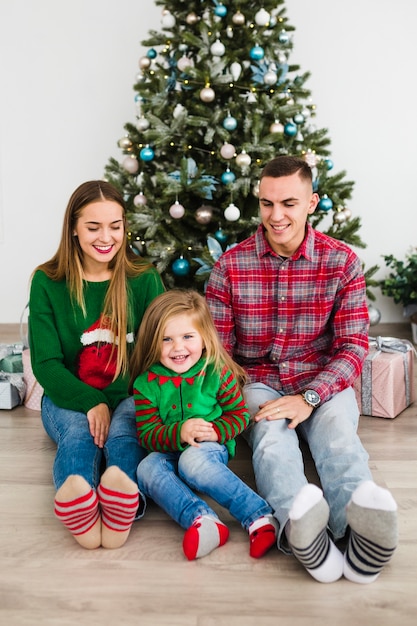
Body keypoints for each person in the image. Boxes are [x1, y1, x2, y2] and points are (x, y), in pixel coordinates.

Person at [206, 155, 398, 583]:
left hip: (321, 380)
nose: (276, 216)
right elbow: (220, 353)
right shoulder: (230, 267)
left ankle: (357, 532)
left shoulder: (342, 262)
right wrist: (240, 394)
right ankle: (301, 531)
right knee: (272, 444)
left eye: (288, 203)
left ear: (311, 203)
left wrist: (311, 396)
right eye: (267, 203)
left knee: (338, 440)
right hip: (256, 382)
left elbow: (353, 346)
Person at [28, 180, 165, 550]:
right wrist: (92, 401)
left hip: (131, 392)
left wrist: (126, 399)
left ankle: (123, 496)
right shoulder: (47, 281)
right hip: (68, 393)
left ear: (125, 226)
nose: (107, 237)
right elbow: (46, 364)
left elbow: (159, 354)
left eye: (115, 226)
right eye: (93, 227)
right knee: (78, 435)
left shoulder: (144, 278)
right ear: (73, 227)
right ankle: (79, 498)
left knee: (124, 436)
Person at [129, 289, 278, 561]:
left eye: (187, 337)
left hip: (208, 449)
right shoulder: (146, 385)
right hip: (169, 450)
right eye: (166, 339)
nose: (178, 348)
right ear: (152, 341)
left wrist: (217, 431)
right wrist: (178, 433)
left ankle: (259, 518)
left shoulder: (216, 371)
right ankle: (203, 521)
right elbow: (148, 435)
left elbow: (239, 415)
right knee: (146, 467)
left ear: (203, 337)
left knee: (191, 462)